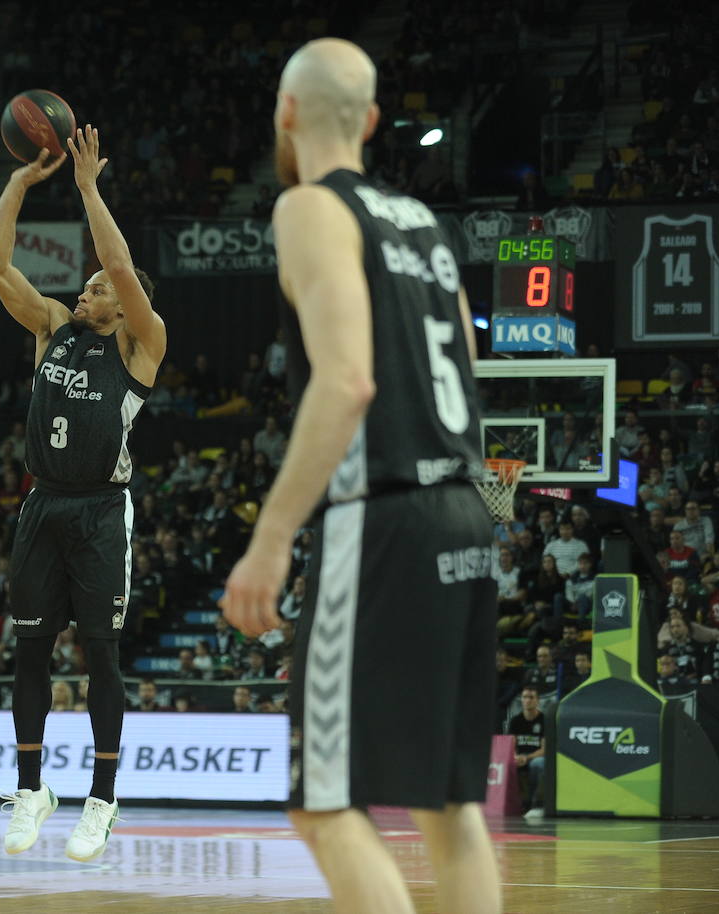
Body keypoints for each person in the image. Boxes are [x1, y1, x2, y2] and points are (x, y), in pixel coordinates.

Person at [220, 39, 500, 914]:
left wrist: (269, 541)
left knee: (323, 803)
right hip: (465, 512)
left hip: (381, 520)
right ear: (374, 120)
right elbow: (471, 380)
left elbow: (347, 382)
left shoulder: (306, 207)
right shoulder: (428, 226)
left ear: (287, 112)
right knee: (450, 808)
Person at [0, 126, 167, 863]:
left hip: (99, 509)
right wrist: (22, 183)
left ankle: (103, 799)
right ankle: (33, 788)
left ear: (123, 305)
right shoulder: (55, 326)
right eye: (86, 284)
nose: (86, 288)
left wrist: (89, 187)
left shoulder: (141, 342)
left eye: (98, 287)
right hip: (43, 502)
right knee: (30, 650)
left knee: (101, 652)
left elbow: (120, 263)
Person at [505, 687, 547, 815]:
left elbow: (545, 749)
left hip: (535, 756)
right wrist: (515, 756)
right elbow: (510, 745)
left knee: (539, 763)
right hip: (519, 757)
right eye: (525, 697)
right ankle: (511, 804)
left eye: (531, 697)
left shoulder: (544, 720)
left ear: (538, 701)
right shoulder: (515, 721)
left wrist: (527, 758)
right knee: (505, 764)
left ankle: (536, 803)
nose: (527, 700)